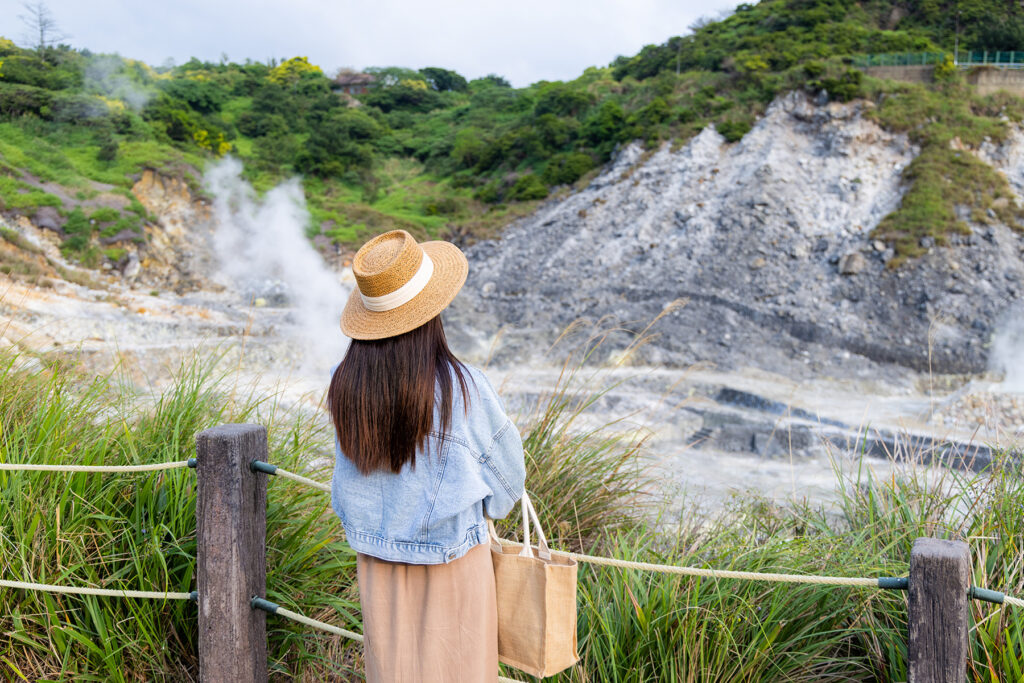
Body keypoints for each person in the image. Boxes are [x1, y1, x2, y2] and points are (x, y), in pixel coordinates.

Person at [327, 229, 526, 682]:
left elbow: (345, 489)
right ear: (431, 311)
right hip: (452, 564)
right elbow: (507, 484)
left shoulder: (347, 386)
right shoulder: (462, 387)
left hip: (377, 566)